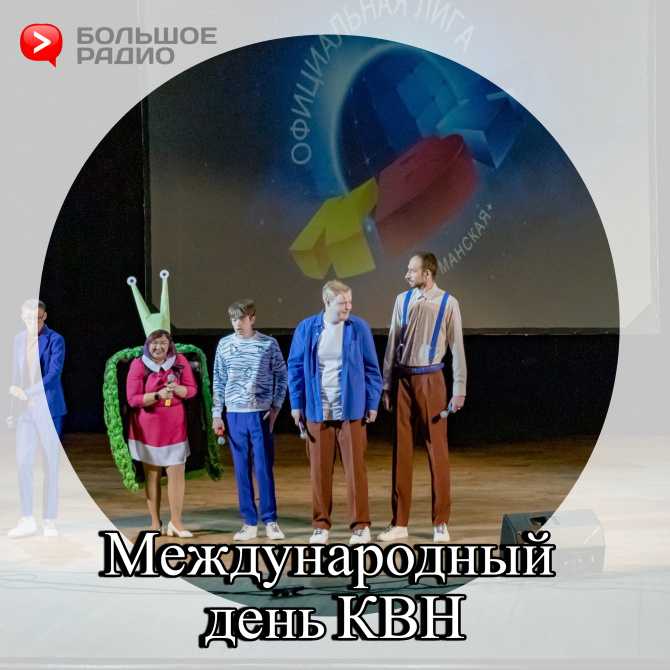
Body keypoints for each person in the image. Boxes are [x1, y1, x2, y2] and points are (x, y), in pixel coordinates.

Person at [378, 253, 466, 543]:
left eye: (412, 270)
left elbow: (457, 348)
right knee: (401, 450)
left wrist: (459, 389)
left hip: (431, 379)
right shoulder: (402, 300)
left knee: (437, 451)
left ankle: (440, 522)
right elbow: (392, 342)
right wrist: (386, 385)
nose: (407, 275)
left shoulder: (447, 302)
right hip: (403, 379)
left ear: (427, 273)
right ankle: (399, 522)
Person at [288, 280, 382, 545]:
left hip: (351, 411)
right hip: (317, 411)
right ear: (327, 302)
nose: (348, 307)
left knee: (355, 471)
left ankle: (361, 526)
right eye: (342, 303)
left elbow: (372, 369)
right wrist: (296, 405)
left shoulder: (359, 327)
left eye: (349, 302)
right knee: (319, 473)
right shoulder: (307, 329)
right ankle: (321, 526)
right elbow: (295, 369)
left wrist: (372, 402)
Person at [212, 299, 288, 541]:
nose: (238, 323)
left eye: (242, 319)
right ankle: (249, 522)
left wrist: (276, 406)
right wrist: (217, 414)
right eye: (234, 319)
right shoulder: (224, 345)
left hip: (260, 413)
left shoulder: (268, 344)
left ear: (252, 319)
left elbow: (282, 375)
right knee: (241, 469)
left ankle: (270, 520)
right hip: (234, 414)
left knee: (263, 467)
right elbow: (218, 380)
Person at [126, 330, 197, 537]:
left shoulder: (180, 361)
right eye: (154, 342)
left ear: (170, 344)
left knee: (177, 474)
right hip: (148, 428)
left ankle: (176, 523)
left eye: (163, 342)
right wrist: (157, 395)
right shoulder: (139, 364)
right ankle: (155, 523)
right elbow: (132, 399)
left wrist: (179, 390)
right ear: (147, 344)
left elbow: (192, 390)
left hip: (175, 426)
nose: (159, 347)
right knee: (152, 474)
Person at [7, 299, 66, 538]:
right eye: (29, 318)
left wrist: (29, 393)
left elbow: (53, 375)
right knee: (23, 462)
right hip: (26, 412)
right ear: (23, 317)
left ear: (45, 316)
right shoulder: (18, 340)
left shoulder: (55, 340)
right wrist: (14, 410)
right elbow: (16, 376)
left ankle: (49, 520)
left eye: (38, 317)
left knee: (50, 464)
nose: (33, 322)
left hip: (48, 410)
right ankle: (27, 518)